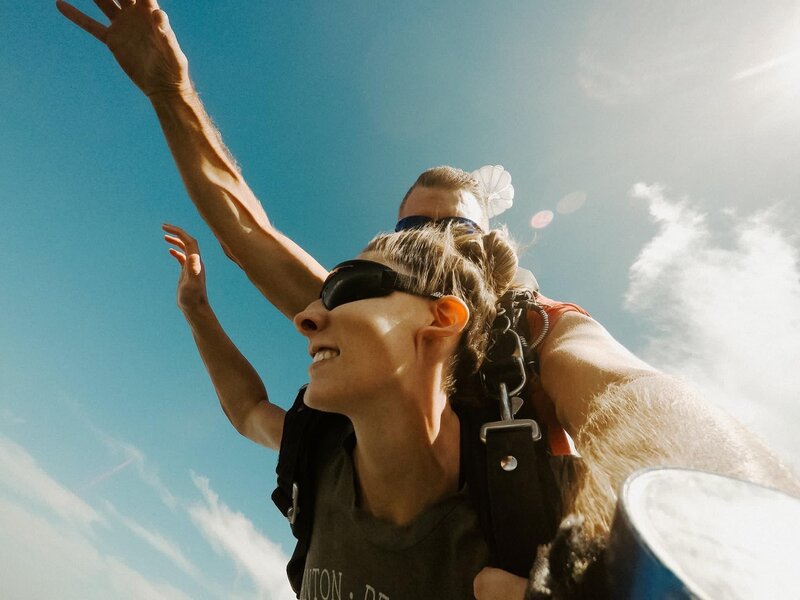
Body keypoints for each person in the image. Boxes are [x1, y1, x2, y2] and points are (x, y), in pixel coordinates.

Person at [62, 2, 800, 597]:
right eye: (413, 228)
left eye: (455, 230)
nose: (435, 242)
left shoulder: (535, 335)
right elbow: (245, 233)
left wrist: (728, 536)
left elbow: (637, 397)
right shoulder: (366, 314)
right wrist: (168, 89)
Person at [164, 221, 526, 599]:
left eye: (348, 287)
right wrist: (196, 309)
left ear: (442, 319)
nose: (304, 319)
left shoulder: (526, 524)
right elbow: (249, 410)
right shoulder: (321, 453)